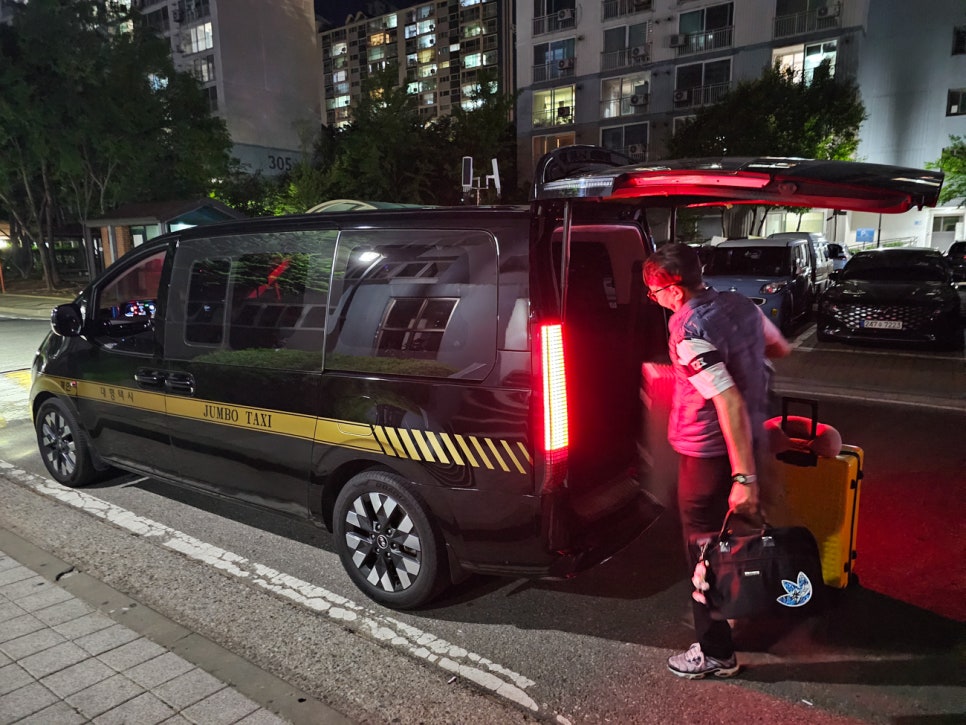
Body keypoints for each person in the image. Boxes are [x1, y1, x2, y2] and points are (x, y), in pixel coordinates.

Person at [642, 242, 789, 679]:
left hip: (708, 453)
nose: (656, 301)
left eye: (654, 293)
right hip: (750, 439)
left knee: (702, 551)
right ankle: (743, 606)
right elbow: (778, 348)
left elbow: (725, 398)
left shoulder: (686, 328)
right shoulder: (739, 303)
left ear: (672, 289)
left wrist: (743, 477)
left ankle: (715, 651)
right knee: (738, 537)